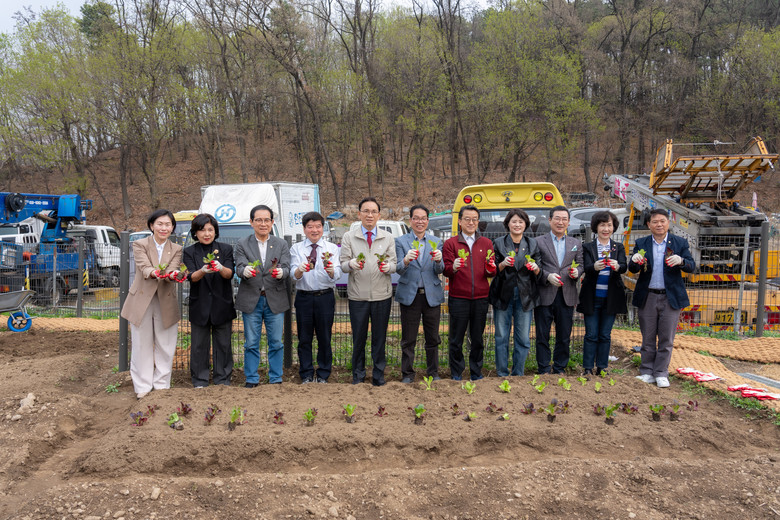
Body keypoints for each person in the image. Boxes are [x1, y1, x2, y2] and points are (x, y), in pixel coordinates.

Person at [628, 208, 695, 388]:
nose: (659, 225)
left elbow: (692, 266)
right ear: (649, 224)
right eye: (655, 222)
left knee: (666, 338)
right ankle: (647, 371)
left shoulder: (679, 243)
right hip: (648, 295)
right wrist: (634, 260)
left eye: (662, 221)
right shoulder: (642, 243)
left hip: (670, 297)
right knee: (648, 337)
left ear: (668, 223)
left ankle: (661, 372)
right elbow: (632, 269)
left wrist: (681, 261)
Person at [120, 209, 183, 399]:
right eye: (160, 224)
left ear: (172, 227)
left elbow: (173, 269)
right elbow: (144, 266)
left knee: (166, 343)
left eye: (168, 224)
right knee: (141, 344)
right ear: (151, 226)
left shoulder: (177, 249)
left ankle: (162, 385)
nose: (164, 228)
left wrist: (173, 275)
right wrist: (155, 272)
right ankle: (143, 386)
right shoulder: (140, 244)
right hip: (142, 299)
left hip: (165, 299)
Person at [340, 197, 397, 386]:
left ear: (379, 215)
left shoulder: (387, 237)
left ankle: (378, 376)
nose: (369, 215)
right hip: (358, 296)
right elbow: (343, 264)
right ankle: (358, 375)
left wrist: (388, 267)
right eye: (366, 211)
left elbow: (394, 264)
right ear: (359, 214)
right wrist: (351, 264)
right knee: (359, 338)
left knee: (379, 339)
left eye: (373, 212)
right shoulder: (349, 237)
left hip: (382, 296)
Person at [234, 204, 291, 387]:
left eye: (267, 220)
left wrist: (282, 272)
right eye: (258, 220)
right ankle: (251, 378)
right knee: (251, 342)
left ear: (272, 222)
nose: (263, 223)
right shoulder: (243, 243)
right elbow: (239, 266)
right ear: (251, 222)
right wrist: (245, 271)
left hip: (275, 298)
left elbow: (287, 267)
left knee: (276, 342)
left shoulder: (281, 244)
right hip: (252, 299)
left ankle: (276, 378)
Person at [442, 205, 497, 381]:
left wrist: (491, 269)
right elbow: (446, 270)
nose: (471, 222)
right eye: (467, 219)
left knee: (477, 338)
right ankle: (456, 372)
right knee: (456, 338)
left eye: (474, 219)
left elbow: (491, 271)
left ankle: (476, 372)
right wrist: (453, 267)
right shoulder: (451, 244)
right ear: (460, 221)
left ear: (478, 222)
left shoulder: (486, 243)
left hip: (481, 298)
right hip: (458, 298)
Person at [182, 213, 236, 387]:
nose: (206, 234)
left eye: (210, 230)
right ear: (195, 233)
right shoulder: (189, 252)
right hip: (200, 305)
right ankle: (200, 380)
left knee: (223, 345)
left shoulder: (226, 249)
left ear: (215, 231)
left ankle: (223, 379)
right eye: (202, 230)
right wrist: (203, 270)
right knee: (199, 345)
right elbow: (191, 276)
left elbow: (229, 274)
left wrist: (220, 268)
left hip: (222, 304)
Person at [395, 204, 445, 383]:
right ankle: (407, 374)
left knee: (433, 338)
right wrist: (406, 260)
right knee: (408, 339)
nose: (420, 222)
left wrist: (439, 260)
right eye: (416, 218)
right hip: (410, 295)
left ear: (427, 221)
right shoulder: (401, 241)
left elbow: (440, 270)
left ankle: (433, 373)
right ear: (410, 220)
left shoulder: (436, 241)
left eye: (423, 218)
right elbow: (398, 269)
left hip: (431, 295)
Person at [488, 209, 541, 377]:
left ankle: (518, 373)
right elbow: (492, 270)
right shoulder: (498, 243)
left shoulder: (532, 244)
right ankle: (502, 373)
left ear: (525, 225)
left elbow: (539, 270)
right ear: (508, 224)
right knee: (501, 336)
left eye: (521, 222)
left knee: (523, 338)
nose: (517, 225)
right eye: (514, 221)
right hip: (502, 294)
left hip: (525, 295)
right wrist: (503, 264)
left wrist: (535, 268)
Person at [290, 211, 341, 384]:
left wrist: (331, 271)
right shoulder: (296, 249)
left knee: (324, 337)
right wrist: (299, 270)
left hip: (325, 297)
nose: (314, 230)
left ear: (322, 228)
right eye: (310, 226)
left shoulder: (331, 248)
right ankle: (306, 374)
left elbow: (338, 273)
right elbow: (293, 274)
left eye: (318, 226)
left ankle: (323, 374)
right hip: (303, 298)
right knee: (304, 338)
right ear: (304, 229)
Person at [576, 211, 627, 377]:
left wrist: (617, 266)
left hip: (611, 297)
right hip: (592, 297)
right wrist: (594, 267)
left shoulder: (618, 247)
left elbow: (624, 266)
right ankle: (587, 368)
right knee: (591, 334)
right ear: (596, 227)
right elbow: (584, 267)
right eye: (602, 225)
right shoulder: (588, 247)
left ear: (614, 227)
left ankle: (602, 367)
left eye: (609, 225)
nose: (606, 229)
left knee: (605, 335)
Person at [534, 205, 583, 374]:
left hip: (567, 294)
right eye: (557, 218)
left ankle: (560, 367)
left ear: (568, 222)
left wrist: (577, 272)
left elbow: (581, 264)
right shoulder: (539, 241)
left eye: (564, 219)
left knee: (564, 335)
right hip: (545, 293)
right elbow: (536, 266)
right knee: (542, 334)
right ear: (550, 220)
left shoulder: (576, 243)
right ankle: (543, 368)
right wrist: (547, 276)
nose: (560, 222)